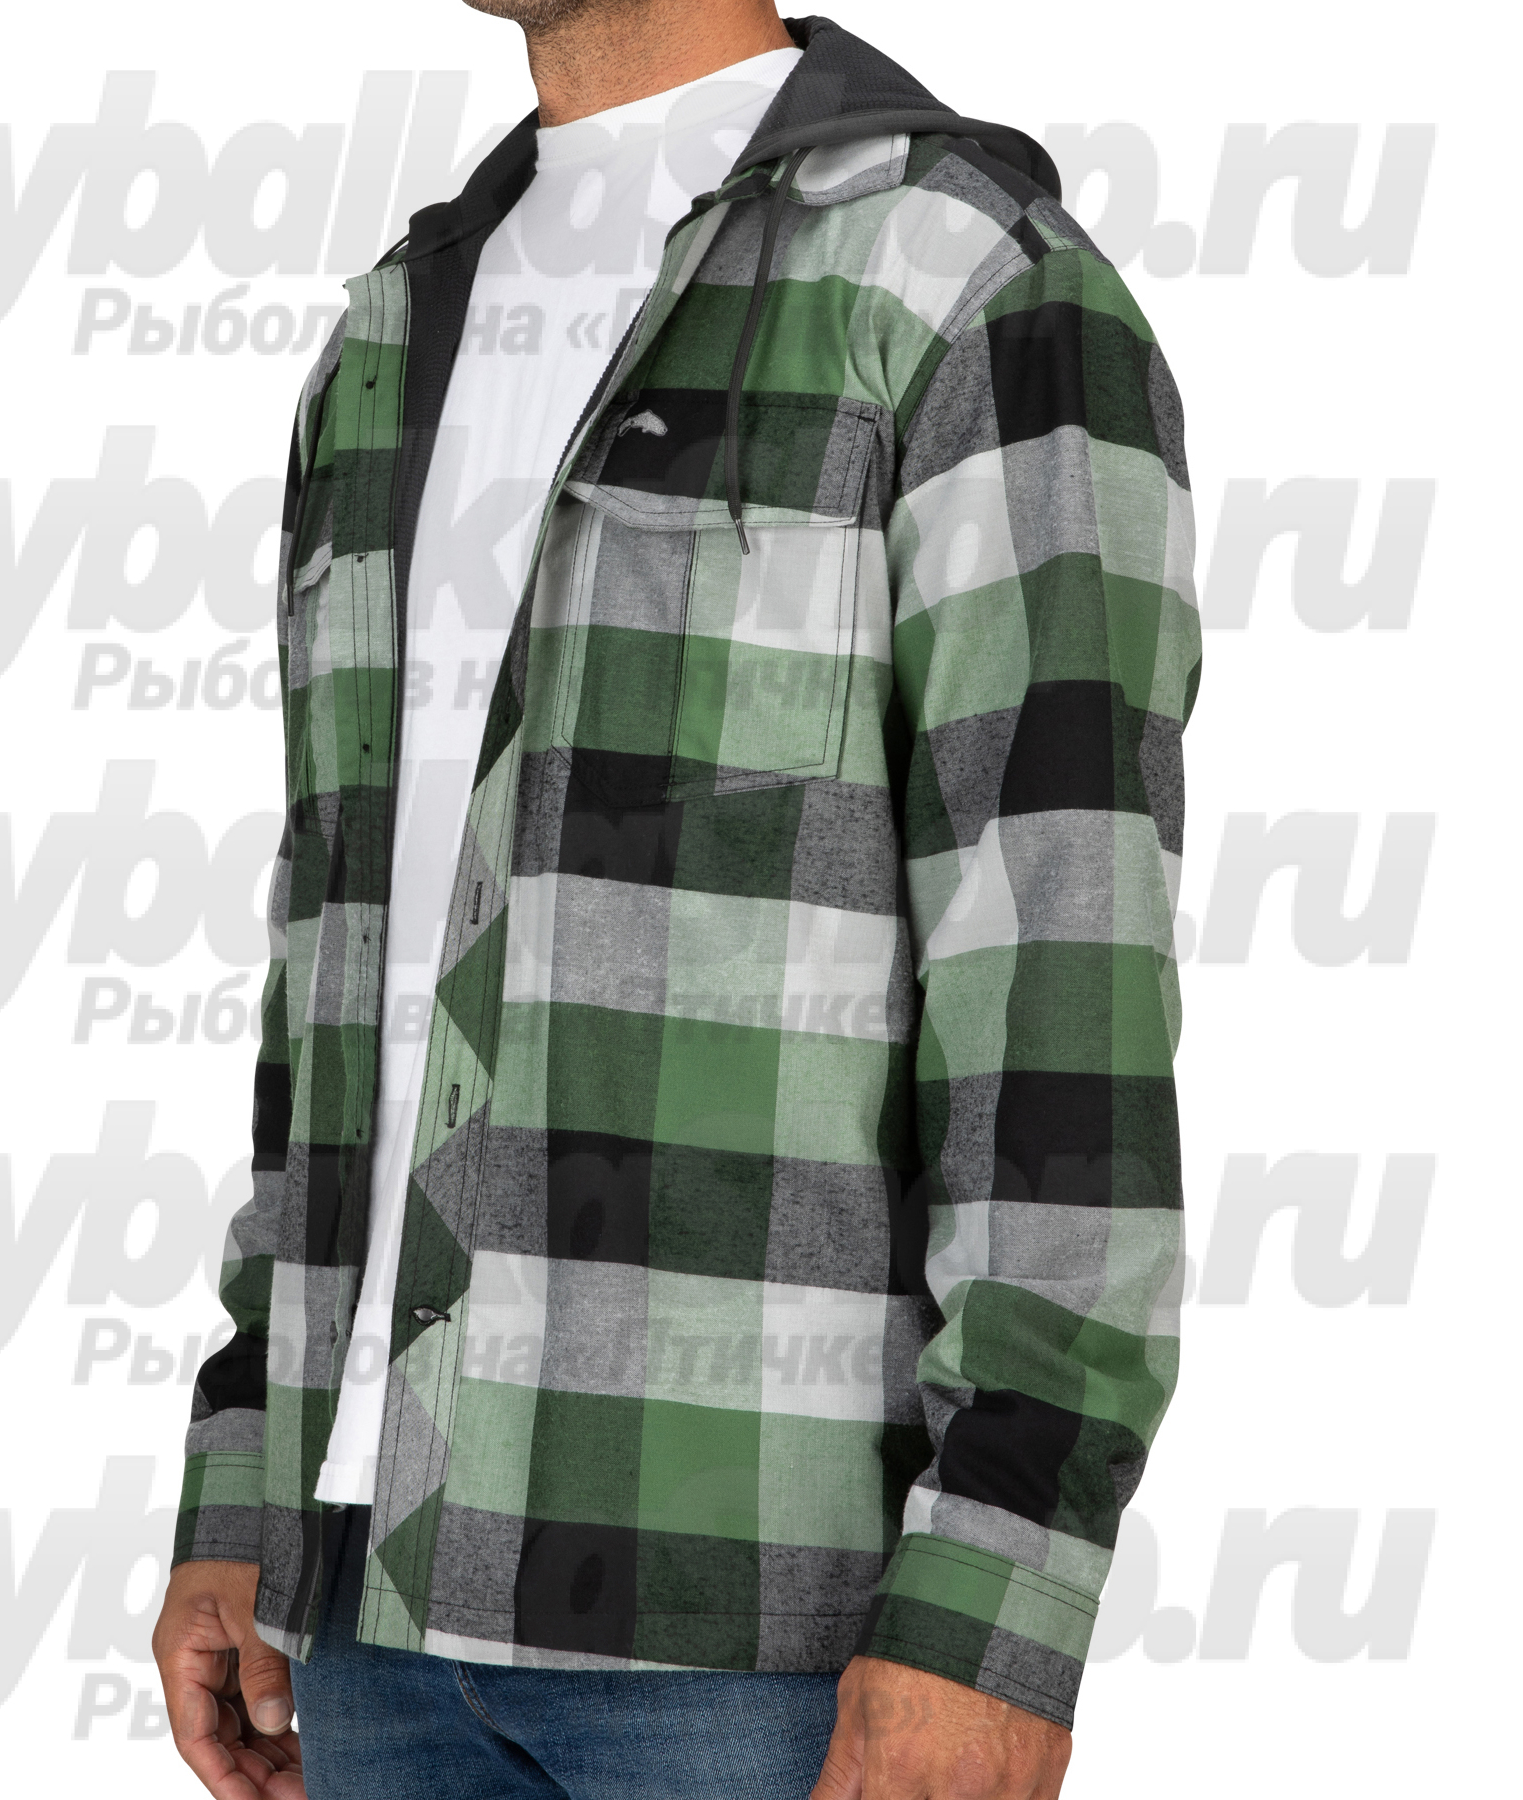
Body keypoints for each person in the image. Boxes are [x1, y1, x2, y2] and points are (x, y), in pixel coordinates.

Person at [151, 4, 1199, 1796]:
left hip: (766, 1647)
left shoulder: (964, 282)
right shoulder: (393, 328)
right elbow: (334, 967)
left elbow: (1061, 982)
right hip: (366, 1624)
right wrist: (245, 1478)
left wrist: (995, 1608)